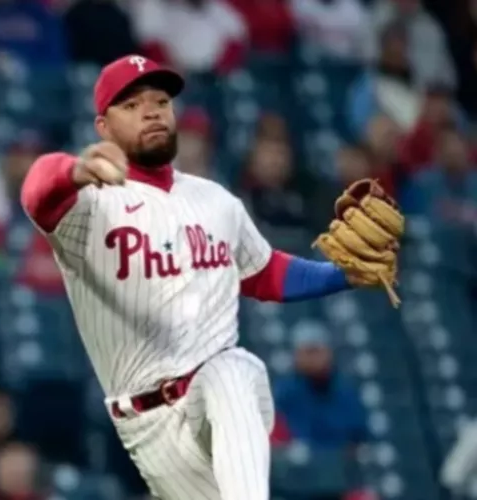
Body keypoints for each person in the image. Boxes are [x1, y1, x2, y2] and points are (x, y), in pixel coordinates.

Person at [20, 54, 387, 500]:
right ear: (103, 127)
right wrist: (73, 170)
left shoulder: (214, 199)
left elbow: (264, 273)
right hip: (149, 422)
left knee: (235, 367)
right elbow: (37, 193)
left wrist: (343, 273)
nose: (152, 110)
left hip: (217, 402)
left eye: (160, 101)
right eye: (132, 105)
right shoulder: (90, 205)